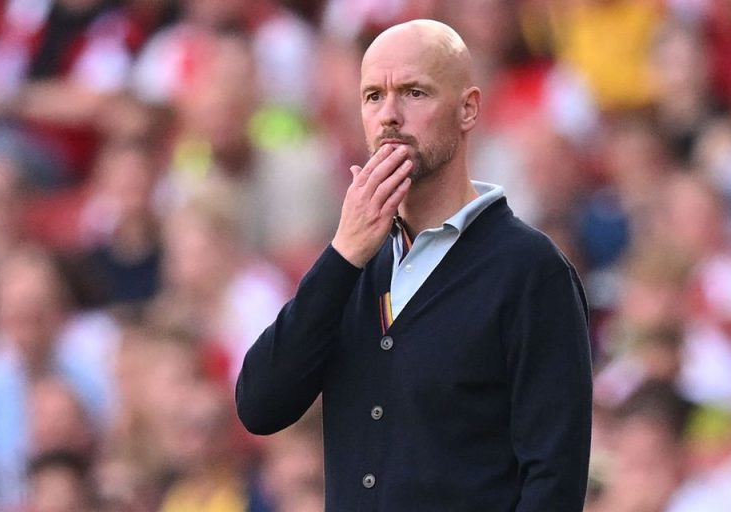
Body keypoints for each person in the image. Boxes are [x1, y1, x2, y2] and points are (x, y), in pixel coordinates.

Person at [236, 19, 593, 511]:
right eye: (373, 96)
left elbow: (554, 481)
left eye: (414, 92)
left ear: (468, 109)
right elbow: (260, 404)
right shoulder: (350, 266)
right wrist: (342, 256)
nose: (389, 115)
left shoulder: (531, 268)